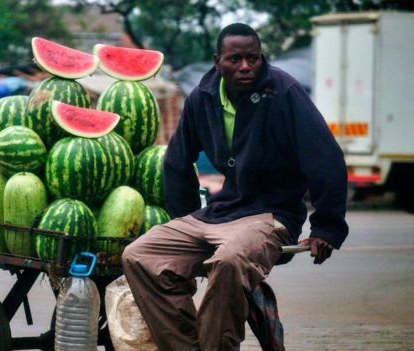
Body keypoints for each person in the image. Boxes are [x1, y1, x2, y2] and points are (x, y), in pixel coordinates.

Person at [121, 23, 349, 351]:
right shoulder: (204, 96)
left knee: (228, 261)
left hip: (271, 214)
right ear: (218, 62)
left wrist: (326, 228)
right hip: (221, 211)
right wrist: (184, 221)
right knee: (139, 255)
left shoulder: (283, 92)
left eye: (253, 58)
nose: (245, 66)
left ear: (261, 59)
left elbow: (325, 157)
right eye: (235, 59)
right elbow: (176, 161)